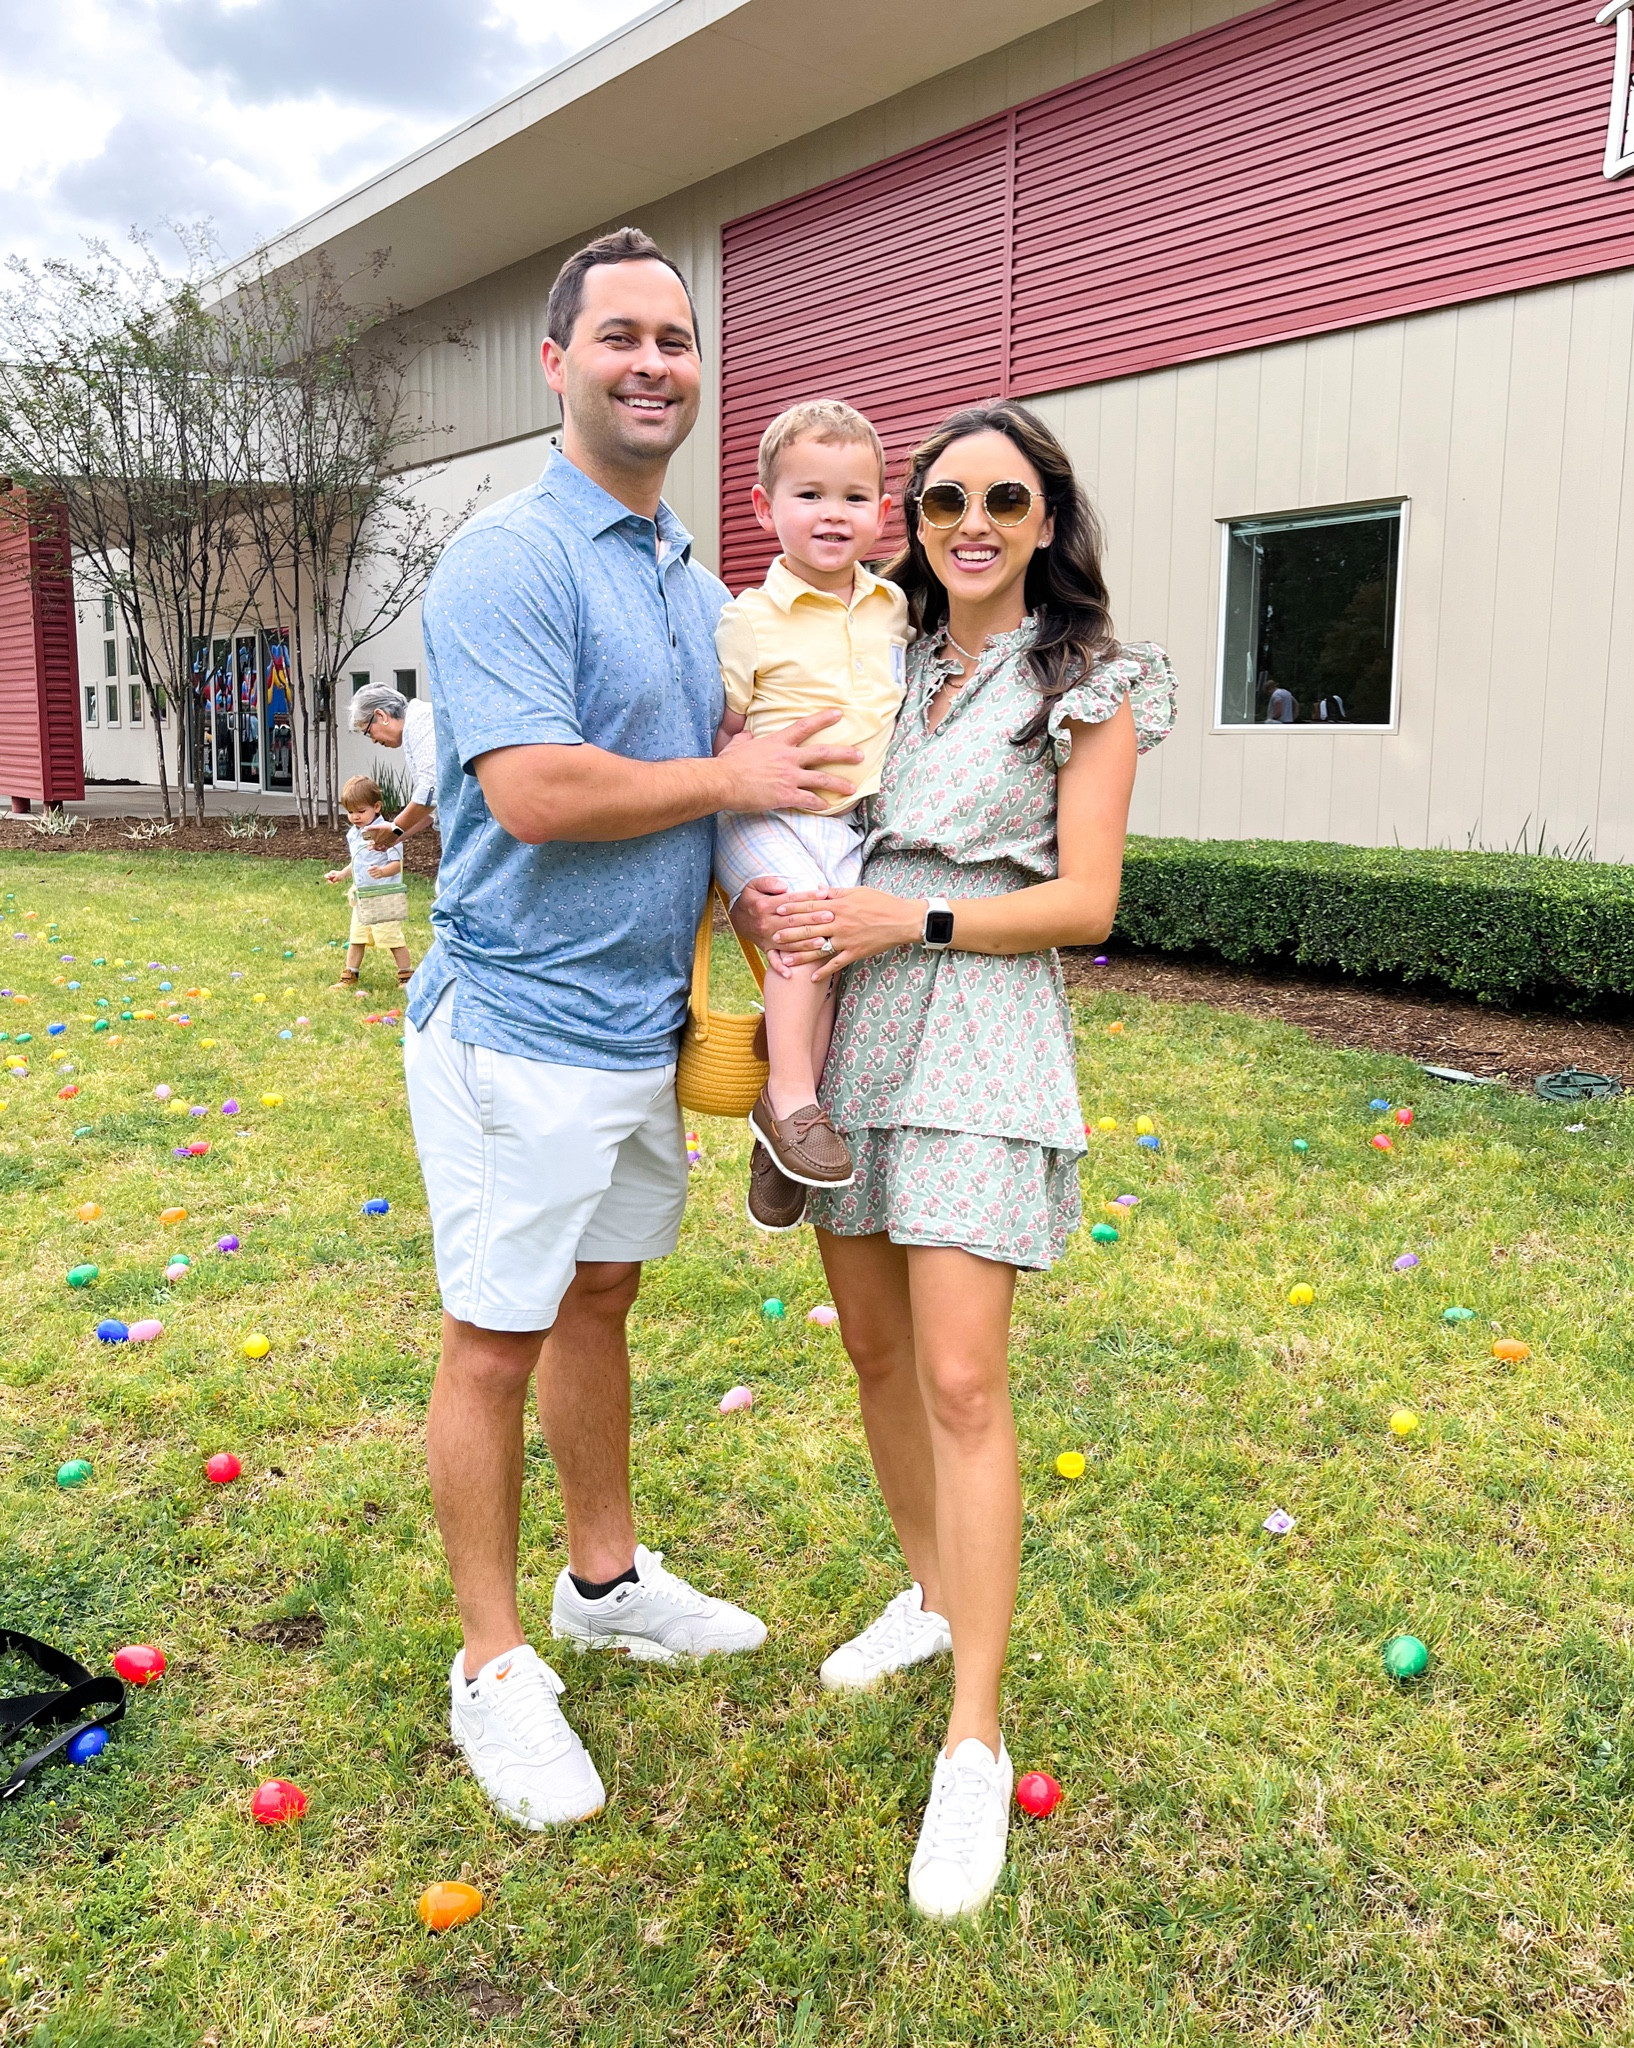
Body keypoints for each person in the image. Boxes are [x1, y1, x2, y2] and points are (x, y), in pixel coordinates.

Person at [402, 227, 862, 1833]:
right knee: (497, 1331)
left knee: (598, 1295)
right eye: (619, 337)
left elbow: (689, 788)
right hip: (515, 1024)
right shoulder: (508, 559)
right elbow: (529, 791)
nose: (652, 361)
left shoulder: (683, 575)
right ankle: (492, 1665)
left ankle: (601, 1582)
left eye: (674, 336)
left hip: (633, 1027)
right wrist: (734, 783)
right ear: (556, 362)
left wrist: (750, 860)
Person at [740, 400, 1176, 1919]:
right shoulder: (882, 655)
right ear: (912, 521)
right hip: (856, 1027)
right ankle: (927, 1597)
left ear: (1045, 515)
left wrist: (905, 918)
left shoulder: (1092, 684)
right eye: (939, 502)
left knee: (962, 1383)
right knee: (871, 1356)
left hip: (981, 1026)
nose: (967, 522)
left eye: (1001, 497)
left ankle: (974, 1740)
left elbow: (1086, 902)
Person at [713, 399, 912, 1221]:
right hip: (764, 815)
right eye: (808, 495)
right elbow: (720, 739)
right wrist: (735, 769)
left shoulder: (893, 610)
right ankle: (790, 1101)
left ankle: (785, 1136)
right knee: (802, 926)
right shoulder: (746, 619)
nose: (833, 513)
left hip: (849, 823)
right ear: (765, 508)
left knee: (825, 963)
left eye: (853, 497)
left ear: (880, 512)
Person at [323, 774, 414, 989]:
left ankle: (406, 975)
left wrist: (383, 872)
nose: (355, 817)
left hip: (384, 895)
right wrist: (342, 874)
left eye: (361, 811)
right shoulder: (354, 835)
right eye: (350, 812)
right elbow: (357, 862)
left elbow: (397, 864)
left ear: (377, 807)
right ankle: (350, 975)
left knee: (392, 938)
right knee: (357, 937)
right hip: (363, 896)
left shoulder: (388, 832)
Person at [351, 683, 439, 851]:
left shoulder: (422, 721)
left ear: (381, 715)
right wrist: (394, 835)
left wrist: (395, 827)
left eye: (369, 732)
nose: (374, 740)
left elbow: (431, 789)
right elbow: (433, 805)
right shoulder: (415, 726)